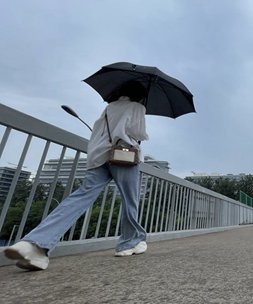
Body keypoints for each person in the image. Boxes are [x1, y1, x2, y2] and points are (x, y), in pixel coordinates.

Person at [4, 81, 150, 271]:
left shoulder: (109, 108)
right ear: (139, 95)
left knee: (80, 197)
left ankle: (34, 244)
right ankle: (128, 243)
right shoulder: (137, 107)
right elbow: (138, 134)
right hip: (123, 156)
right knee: (130, 200)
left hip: (97, 157)